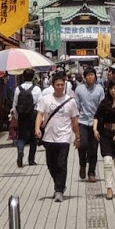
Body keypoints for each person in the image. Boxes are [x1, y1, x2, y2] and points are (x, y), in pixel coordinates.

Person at [35, 70, 80, 202]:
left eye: (62, 85)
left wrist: (77, 136)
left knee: (61, 163)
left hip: (64, 137)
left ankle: (59, 190)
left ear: (65, 85)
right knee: (51, 164)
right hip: (49, 136)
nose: (60, 87)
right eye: (57, 85)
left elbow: (74, 120)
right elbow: (40, 115)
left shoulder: (70, 101)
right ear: (53, 85)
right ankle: (59, 184)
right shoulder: (45, 100)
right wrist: (37, 128)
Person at [74, 68, 106, 182]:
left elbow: (102, 107)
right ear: (84, 77)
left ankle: (91, 172)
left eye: (92, 75)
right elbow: (76, 107)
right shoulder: (79, 90)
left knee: (93, 148)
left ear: (95, 76)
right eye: (88, 75)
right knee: (82, 146)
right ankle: (82, 165)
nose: (90, 77)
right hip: (82, 122)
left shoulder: (100, 89)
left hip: (95, 123)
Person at [12, 70, 41, 168]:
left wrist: (16, 116)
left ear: (23, 77)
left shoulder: (18, 89)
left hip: (22, 115)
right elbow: (39, 104)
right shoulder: (36, 89)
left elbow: (15, 104)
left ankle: (20, 151)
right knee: (33, 138)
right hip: (33, 115)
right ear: (33, 77)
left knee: (21, 136)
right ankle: (31, 160)